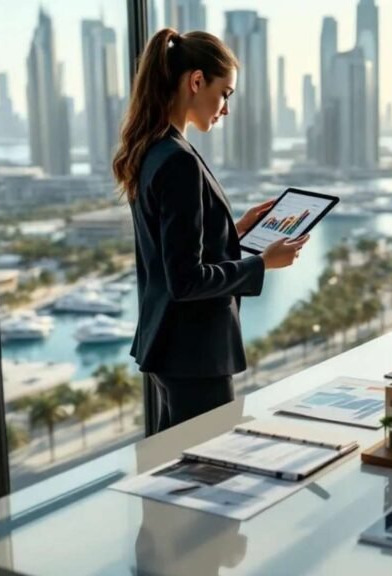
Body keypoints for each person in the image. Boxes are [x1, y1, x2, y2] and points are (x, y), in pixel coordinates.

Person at [113, 28, 308, 432]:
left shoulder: (153, 150)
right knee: (207, 481)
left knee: (172, 472)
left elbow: (175, 250)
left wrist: (235, 231)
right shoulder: (178, 160)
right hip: (196, 355)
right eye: (225, 94)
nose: (226, 109)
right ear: (196, 81)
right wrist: (261, 264)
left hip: (171, 349)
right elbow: (185, 280)